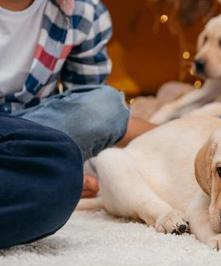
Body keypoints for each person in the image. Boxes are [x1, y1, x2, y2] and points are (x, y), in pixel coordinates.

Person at [0, 0, 154, 248]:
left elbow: (87, 111)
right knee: (59, 173)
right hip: (25, 143)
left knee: (105, 106)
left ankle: (31, 168)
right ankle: (32, 169)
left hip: (30, 131)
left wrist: (190, 133)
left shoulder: (84, 12)